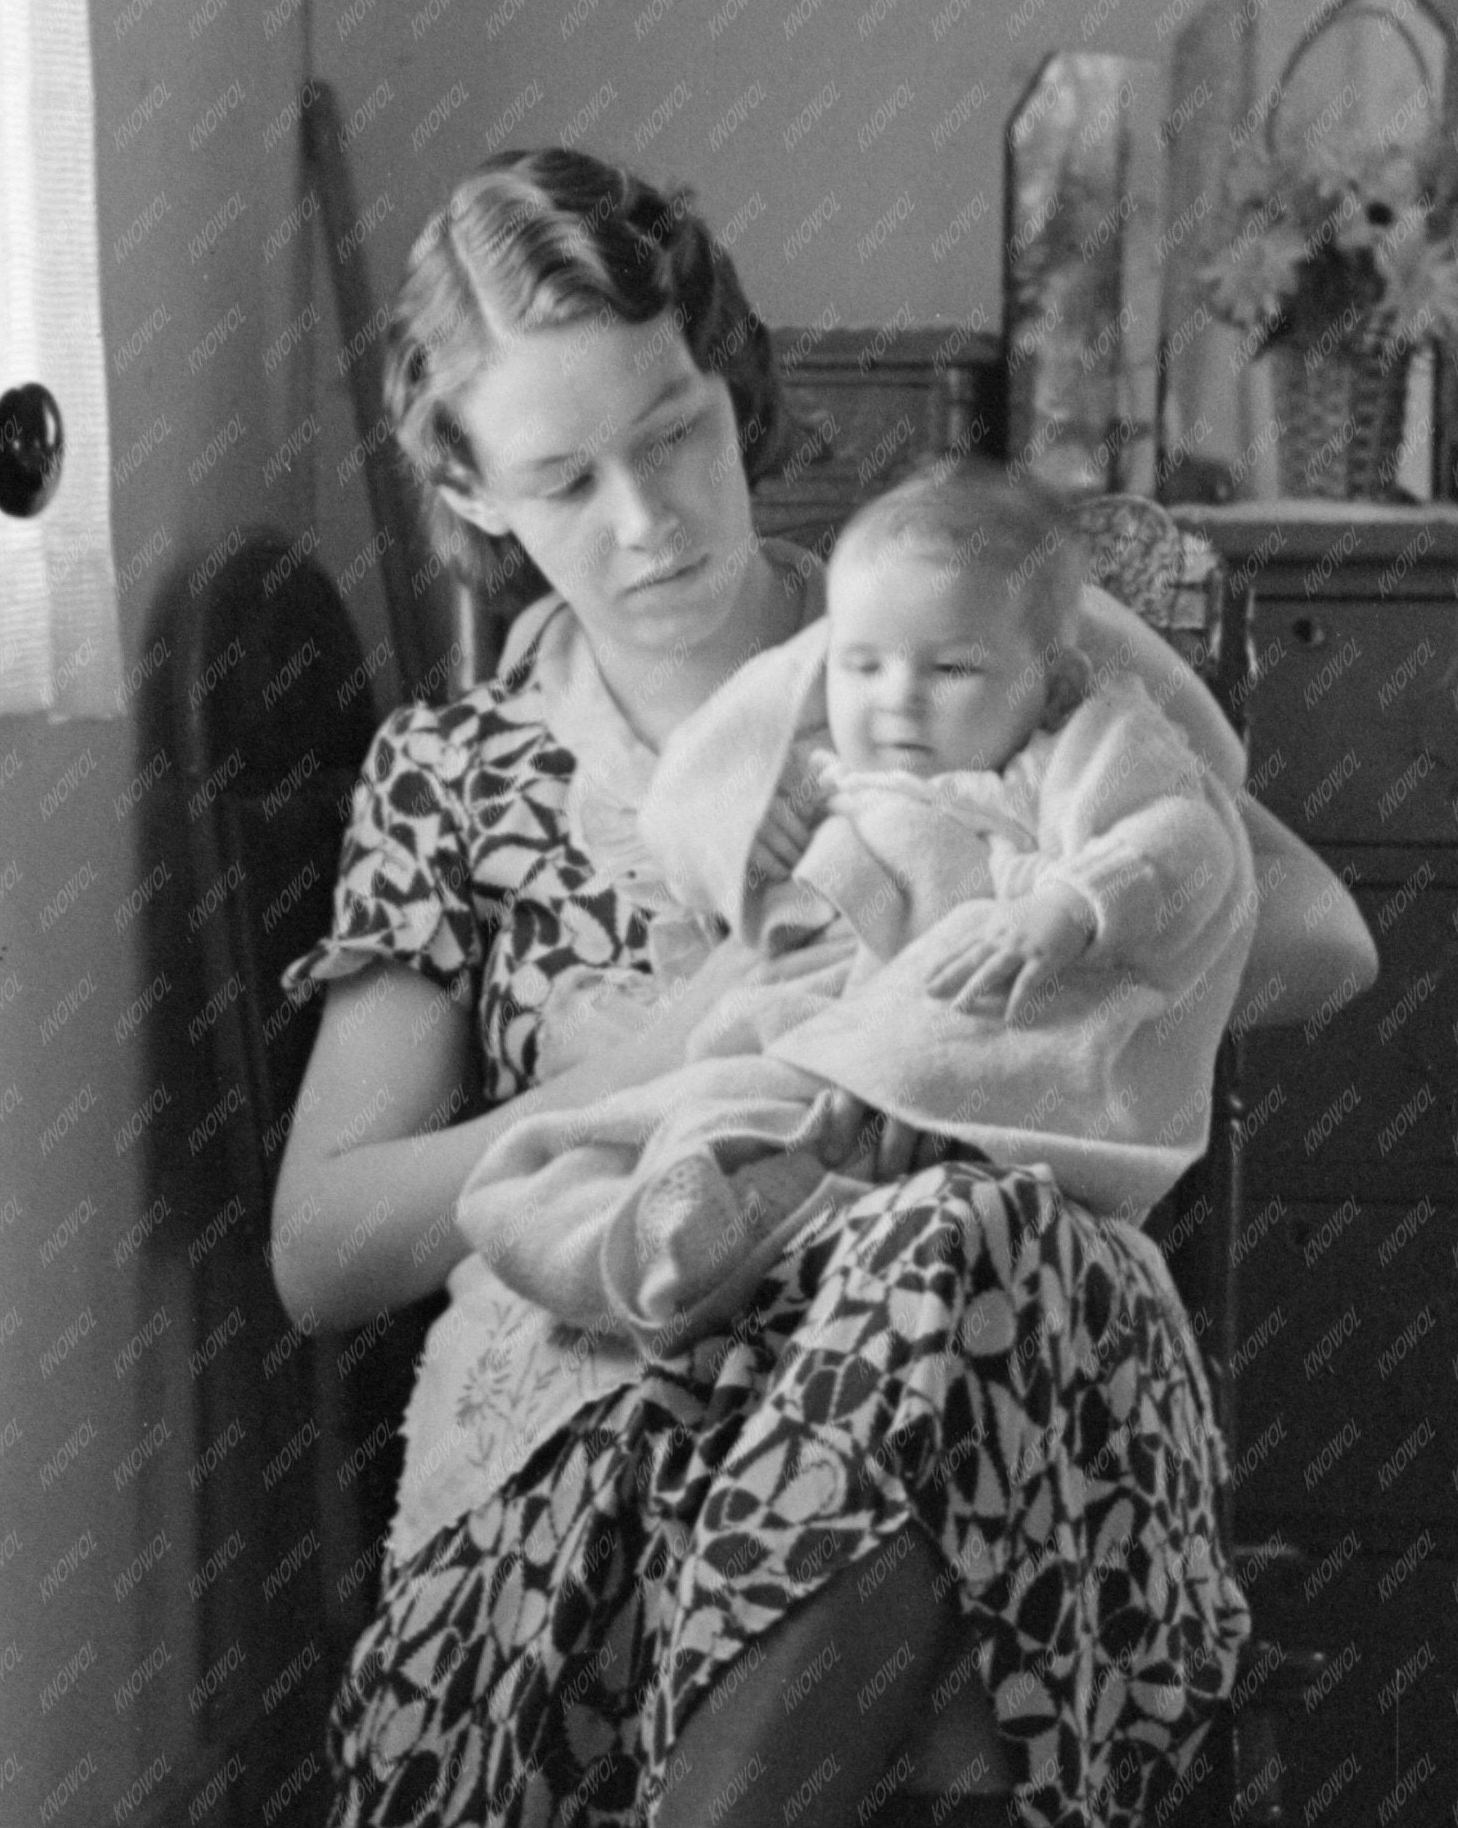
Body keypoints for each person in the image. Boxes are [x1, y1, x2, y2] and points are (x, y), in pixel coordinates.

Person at [270, 148, 1376, 1828]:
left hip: (997, 1352)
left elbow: (1294, 939)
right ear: (472, 497)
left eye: (672, 433)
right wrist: (693, 1070)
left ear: (730, 387)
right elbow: (325, 1243)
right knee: (945, 1559)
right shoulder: (461, 771)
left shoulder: (948, 621)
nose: (649, 520)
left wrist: (968, 990)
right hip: (635, 1433)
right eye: (565, 477)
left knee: (949, 1293)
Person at [452, 452, 1260, 1348]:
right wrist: (739, 829)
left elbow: (1184, 840)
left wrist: (1067, 909)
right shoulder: (815, 768)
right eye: (862, 665)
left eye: (950, 670)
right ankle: (661, 1228)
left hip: (965, 1014)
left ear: (1052, 681)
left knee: (892, 1088)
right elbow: (695, 795)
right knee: (706, 1103)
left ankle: (767, 1201)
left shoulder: (1066, 753)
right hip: (810, 1021)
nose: (896, 700)